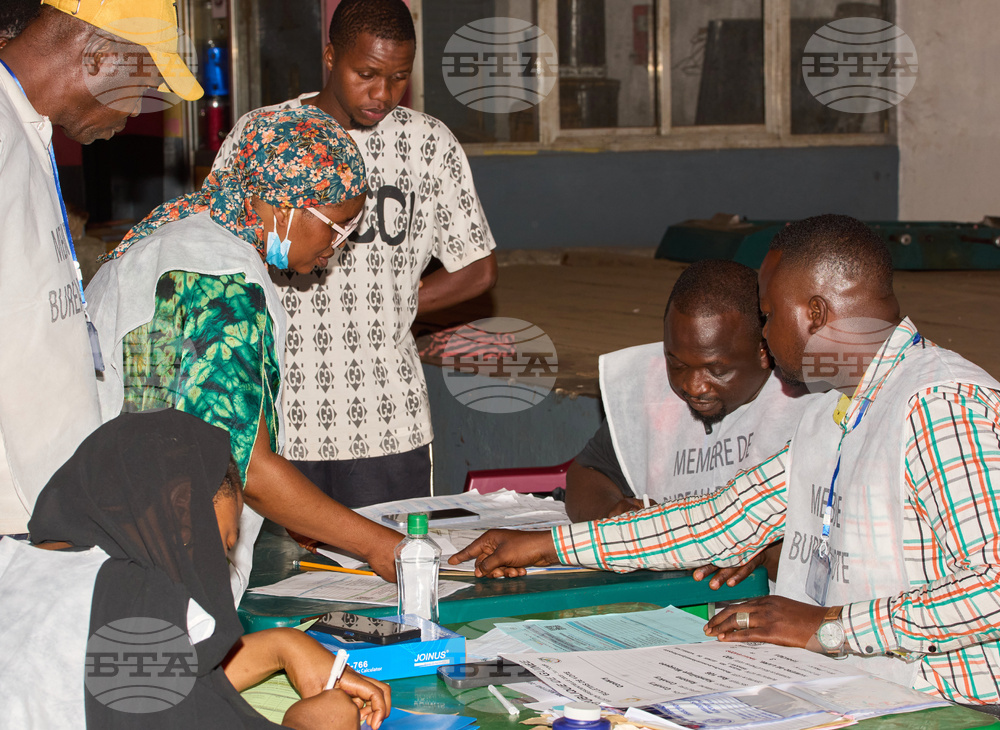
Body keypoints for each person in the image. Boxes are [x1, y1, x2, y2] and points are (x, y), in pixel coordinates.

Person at [452, 214, 1000, 708]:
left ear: (815, 312)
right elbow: (725, 518)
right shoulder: (840, 410)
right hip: (875, 693)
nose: (762, 336)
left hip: (960, 703)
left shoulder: (938, 404)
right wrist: (550, 545)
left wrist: (830, 627)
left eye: (766, 314)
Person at [86, 106, 405, 598]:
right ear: (285, 206)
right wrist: (378, 545)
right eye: (337, 226)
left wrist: (305, 515)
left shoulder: (184, 236)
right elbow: (244, 467)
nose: (338, 246)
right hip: (155, 568)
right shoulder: (220, 284)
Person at [212, 0, 497, 508]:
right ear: (330, 56)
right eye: (366, 73)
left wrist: (397, 305)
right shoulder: (262, 135)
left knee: (390, 575)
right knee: (281, 579)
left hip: (386, 421)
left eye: (398, 77)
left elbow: (477, 268)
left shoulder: (428, 144)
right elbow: (212, 251)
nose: (382, 93)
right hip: (277, 419)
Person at [0, 408, 391, 729]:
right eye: (219, 546)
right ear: (181, 527)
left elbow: (117, 681)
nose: (217, 568)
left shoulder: (16, 566)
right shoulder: (135, 604)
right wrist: (326, 722)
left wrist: (284, 646)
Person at [0, 0, 201, 536]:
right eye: (141, 84)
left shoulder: (26, 128)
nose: (137, 111)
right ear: (96, 57)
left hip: (48, 498)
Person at [567, 259, 816, 524]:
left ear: (765, 351)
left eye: (716, 370)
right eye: (678, 364)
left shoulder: (808, 402)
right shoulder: (651, 387)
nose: (692, 386)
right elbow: (588, 472)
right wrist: (612, 512)